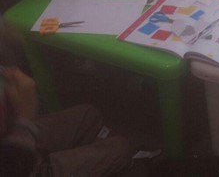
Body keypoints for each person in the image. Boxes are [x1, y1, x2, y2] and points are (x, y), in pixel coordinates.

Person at [0, 63, 133, 176]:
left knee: (89, 115)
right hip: (15, 166)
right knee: (122, 149)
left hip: (8, 137)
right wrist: (24, 119)